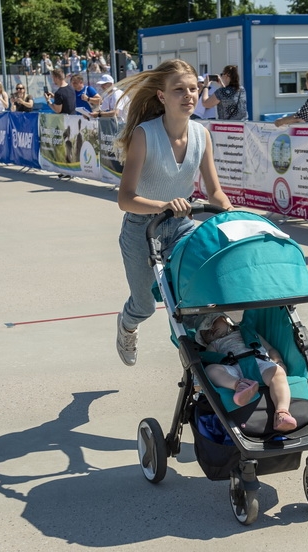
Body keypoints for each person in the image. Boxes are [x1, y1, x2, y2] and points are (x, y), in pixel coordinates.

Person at [114, 59, 234, 366]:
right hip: (142, 229)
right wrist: (163, 206)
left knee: (195, 292)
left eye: (193, 89)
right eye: (179, 89)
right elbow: (125, 199)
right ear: (161, 96)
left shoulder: (201, 135)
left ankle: (208, 342)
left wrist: (230, 211)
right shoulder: (144, 135)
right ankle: (127, 325)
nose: (189, 95)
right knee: (143, 306)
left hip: (182, 226)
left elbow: (214, 190)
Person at [196, 312, 298, 432]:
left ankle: (282, 413)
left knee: (278, 373)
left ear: (225, 319)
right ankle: (240, 386)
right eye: (206, 333)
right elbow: (210, 359)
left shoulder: (249, 333)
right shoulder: (214, 344)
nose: (211, 330)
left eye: (213, 323)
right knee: (211, 370)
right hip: (233, 368)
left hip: (259, 362)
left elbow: (270, 349)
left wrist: (278, 361)